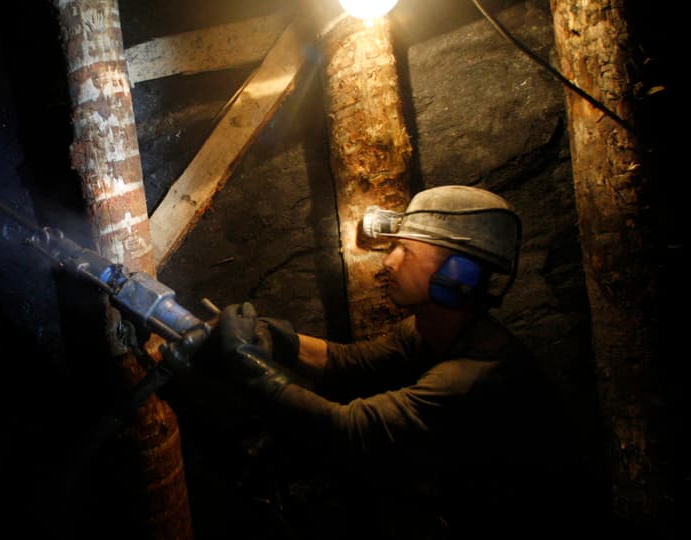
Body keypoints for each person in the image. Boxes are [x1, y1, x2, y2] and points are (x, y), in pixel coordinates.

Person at [216, 185, 593, 539]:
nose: (388, 263)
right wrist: (280, 340)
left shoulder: (471, 378)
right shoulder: (430, 329)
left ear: (456, 275)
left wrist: (249, 367)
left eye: (407, 252)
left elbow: (348, 431)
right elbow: (353, 362)